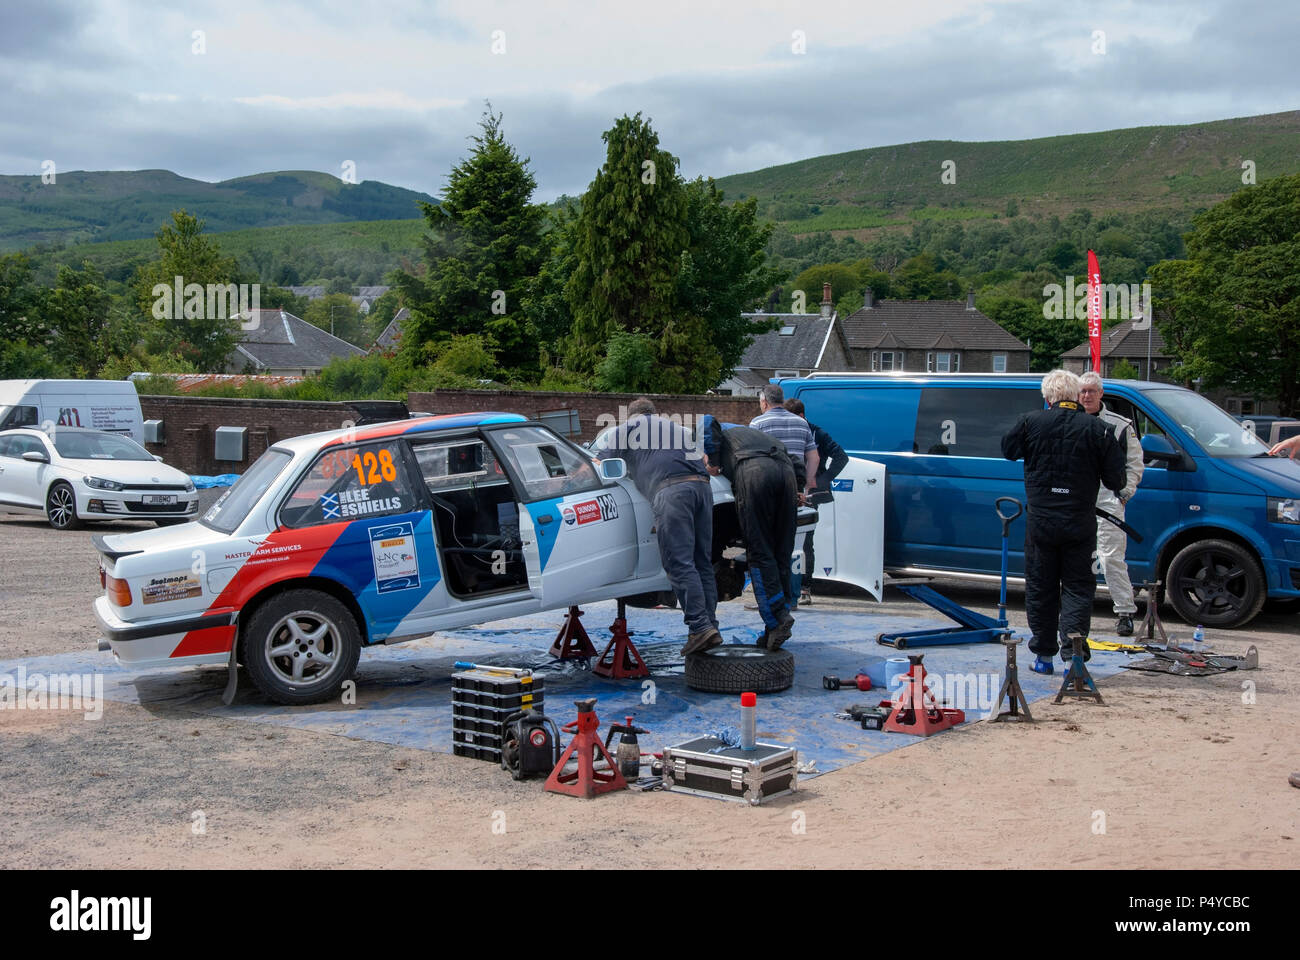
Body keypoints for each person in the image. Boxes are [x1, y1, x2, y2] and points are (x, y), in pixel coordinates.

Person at [1002, 369, 1126, 674]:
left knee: (1041, 587)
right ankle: (1074, 654)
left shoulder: (1031, 421)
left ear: (1047, 397)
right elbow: (1116, 480)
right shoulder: (1098, 429)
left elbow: (1007, 451)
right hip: (1079, 521)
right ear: (1075, 396)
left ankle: (1043, 656)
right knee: (1078, 587)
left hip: (1042, 521)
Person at [593, 398, 720, 656]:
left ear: (632, 416)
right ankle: (710, 627)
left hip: (672, 492)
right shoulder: (676, 429)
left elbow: (601, 466)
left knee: (680, 563)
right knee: (701, 562)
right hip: (703, 489)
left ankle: (699, 627)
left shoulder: (627, 429)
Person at [699, 414, 798, 650]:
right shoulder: (757, 435)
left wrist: (711, 460)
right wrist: (800, 487)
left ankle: (778, 620)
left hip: (754, 472)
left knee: (760, 552)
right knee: (780, 554)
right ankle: (775, 625)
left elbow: (706, 420)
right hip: (787, 472)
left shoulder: (719, 431)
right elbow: (796, 460)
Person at [1078, 371, 1144, 636]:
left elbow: (1135, 464)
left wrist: (1124, 493)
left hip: (1107, 496)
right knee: (1073, 556)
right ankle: (1073, 612)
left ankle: (1125, 612)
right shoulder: (1069, 421)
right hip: (1075, 497)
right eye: (1082, 391)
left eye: (1092, 391)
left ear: (1101, 394)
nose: (1087, 396)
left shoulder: (1120, 426)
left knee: (1110, 557)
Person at [784, 396, 848, 603]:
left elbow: (841, 456)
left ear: (801, 416)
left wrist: (821, 481)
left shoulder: (817, 433)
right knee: (785, 540)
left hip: (810, 495)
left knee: (805, 543)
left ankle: (804, 588)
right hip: (788, 491)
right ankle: (787, 587)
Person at [750, 384, 819, 496]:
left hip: (769, 485)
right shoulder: (802, 423)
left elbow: (752, 458)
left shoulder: (757, 423)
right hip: (795, 484)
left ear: (764, 402)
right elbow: (814, 458)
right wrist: (806, 483)